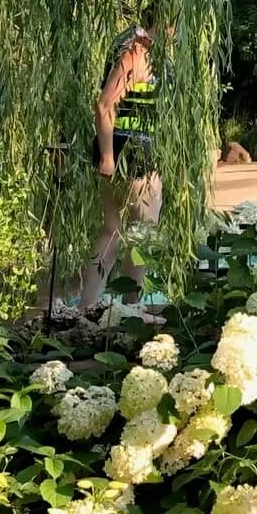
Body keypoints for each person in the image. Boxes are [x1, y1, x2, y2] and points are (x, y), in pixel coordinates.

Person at [78, 23, 164, 309]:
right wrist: (107, 156)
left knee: (112, 229)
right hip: (132, 152)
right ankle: (133, 305)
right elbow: (105, 105)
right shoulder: (136, 53)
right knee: (144, 230)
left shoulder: (134, 48)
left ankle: (88, 307)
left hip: (124, 149)